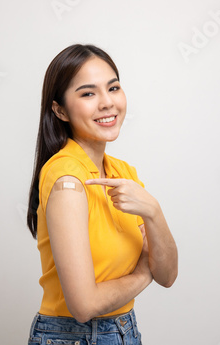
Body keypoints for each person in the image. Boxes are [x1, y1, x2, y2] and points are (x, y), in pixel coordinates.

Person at [26, 43, 178, 344]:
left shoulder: (123, 172)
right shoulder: (66, 179)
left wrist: (153, 211)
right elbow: (84, 306)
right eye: (88, 93)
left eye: (114, 87)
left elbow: (168, 275)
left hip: (124, 331)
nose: (107, 102)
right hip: (73, 337)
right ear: (60, 110)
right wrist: (142, 273)